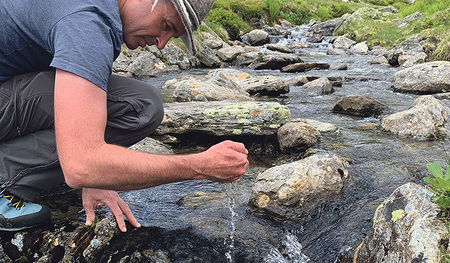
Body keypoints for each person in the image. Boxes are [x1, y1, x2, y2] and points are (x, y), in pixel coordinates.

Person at [0, 0, 249, 232]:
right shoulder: (89, 22)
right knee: (140, 106)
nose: (161, 43)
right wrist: (198, 167)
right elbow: (80, 166)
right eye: (166, 26)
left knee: (138, 102)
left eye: (172, 36)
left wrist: (98, 178)